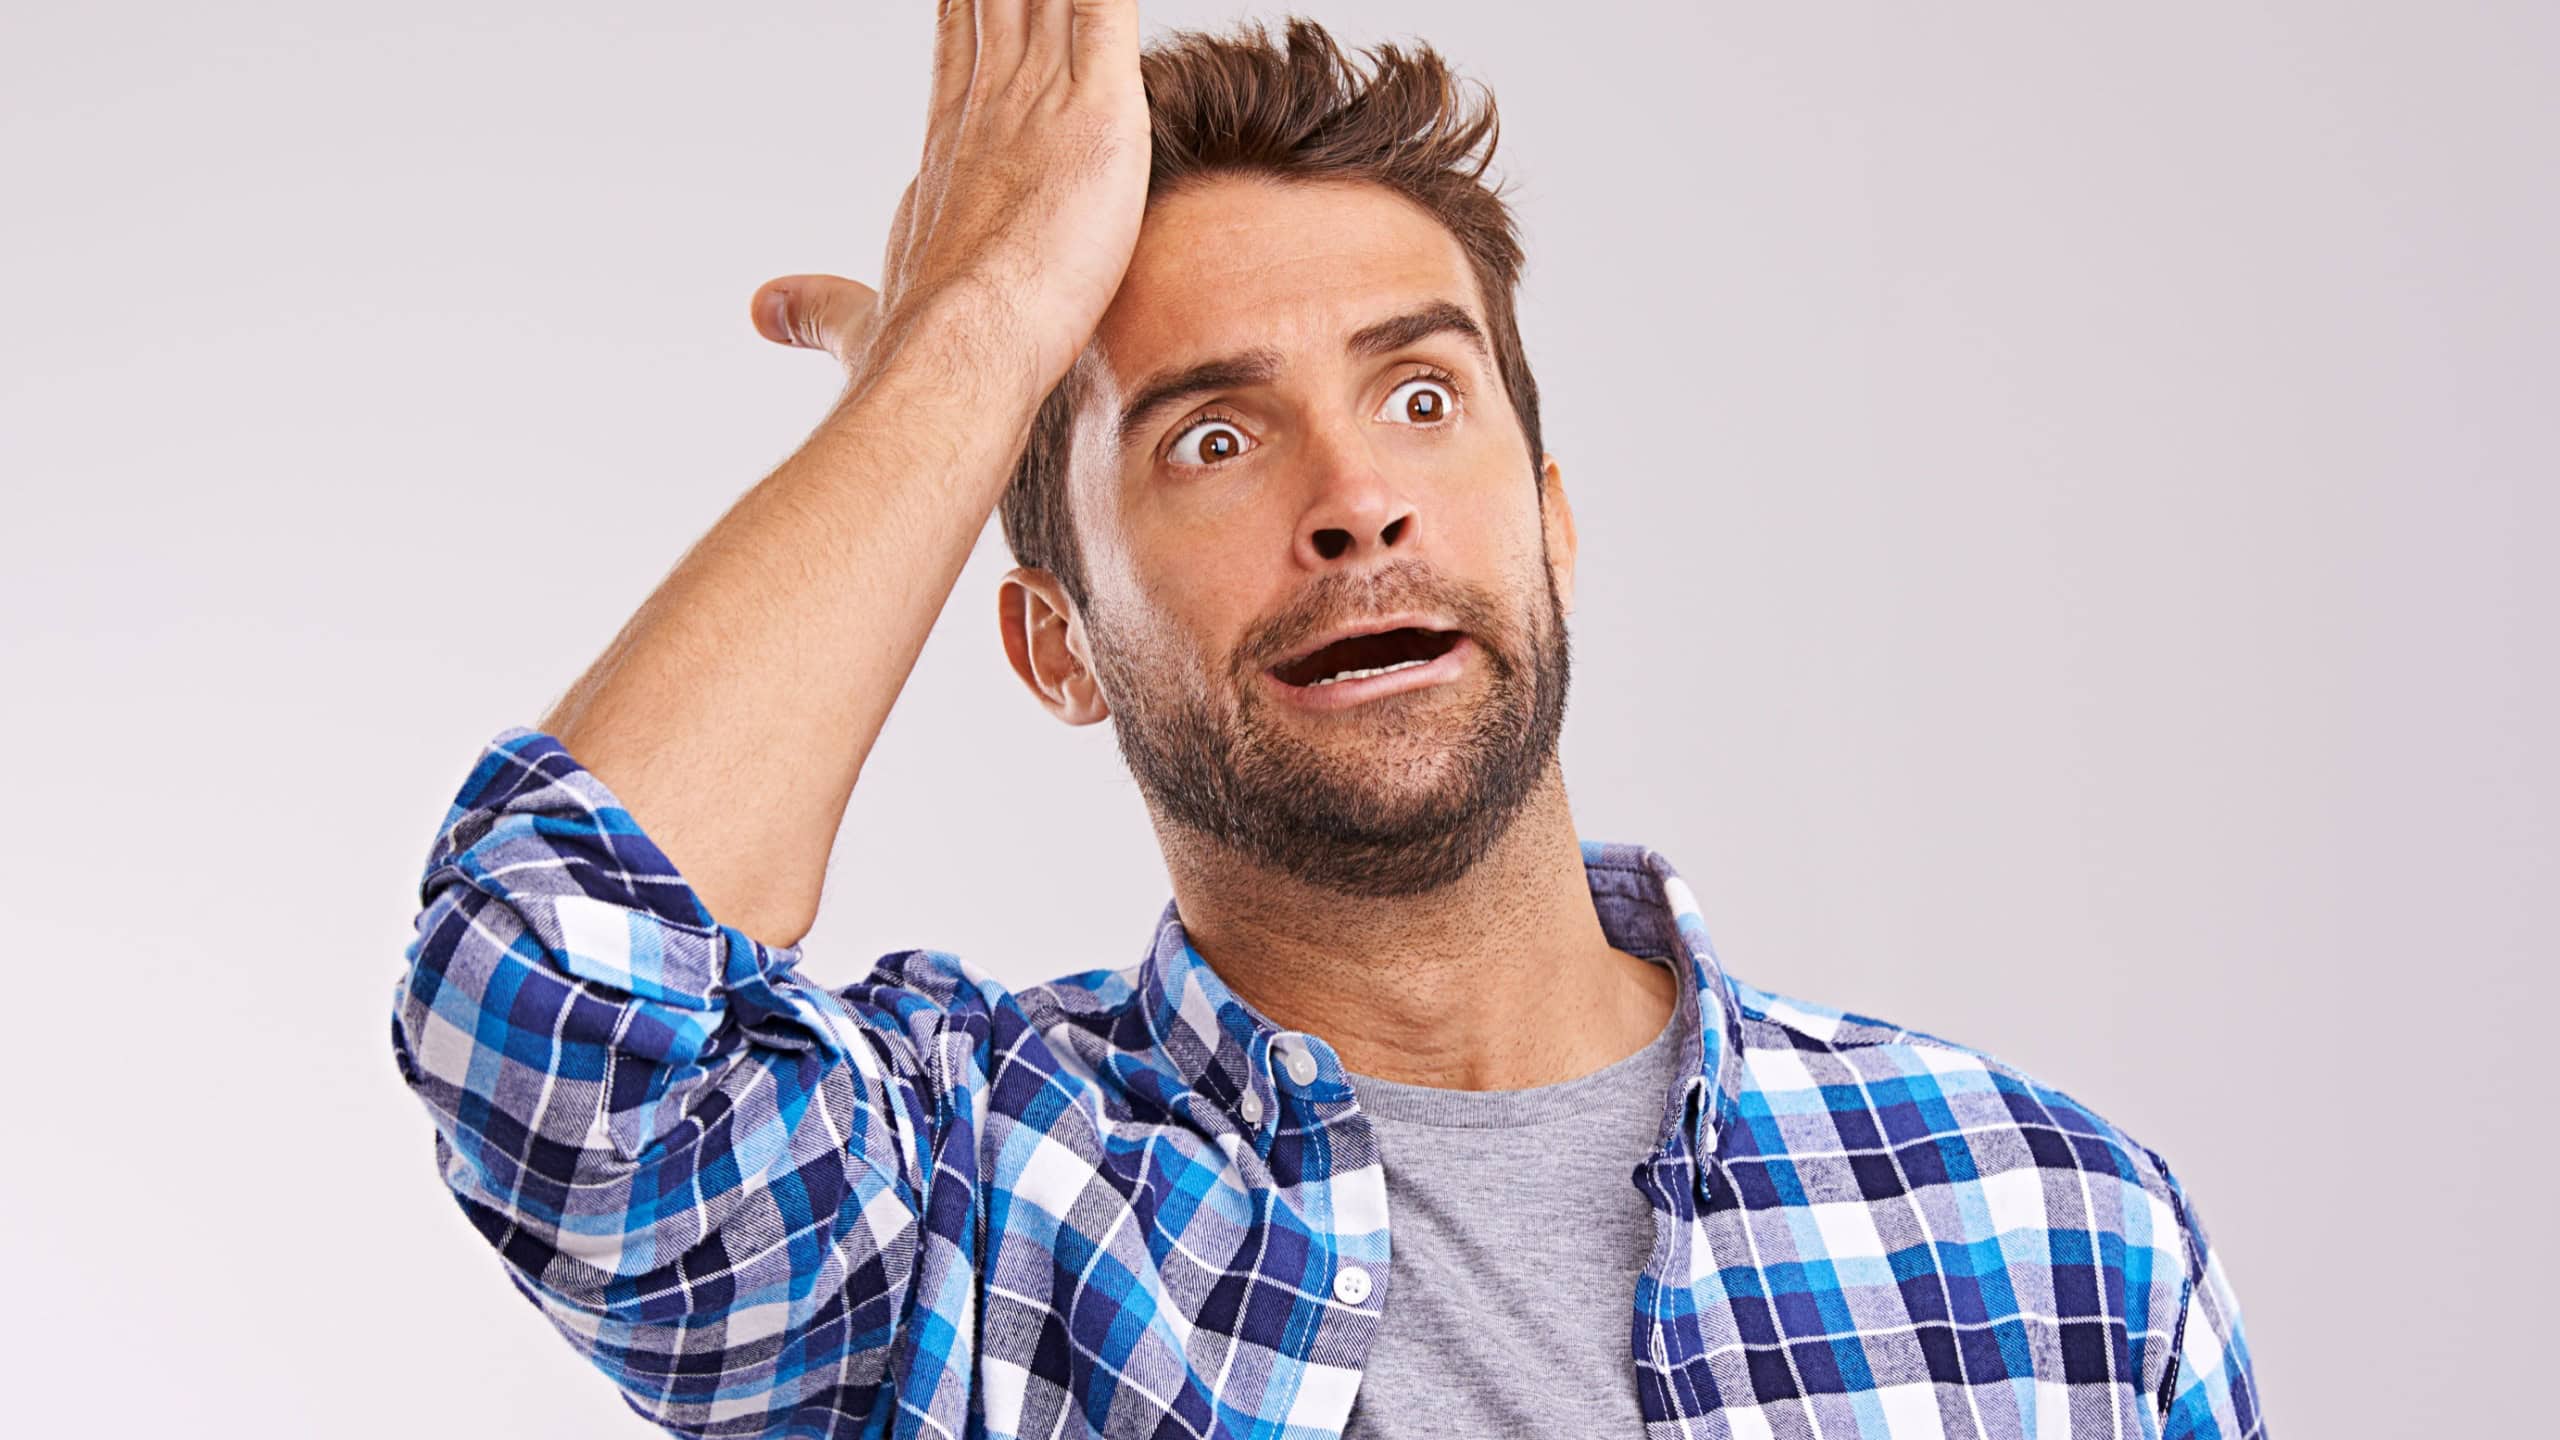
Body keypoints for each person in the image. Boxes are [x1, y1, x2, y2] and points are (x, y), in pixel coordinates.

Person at [389, 7, 2266, 1437]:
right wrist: (977, 336)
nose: (1354, 498)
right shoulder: (961, 1216)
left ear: (1554, 522)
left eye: (1425, 397)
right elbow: (545, 995)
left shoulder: (2049, 1238)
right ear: (1055, 646)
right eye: (1212, 436)